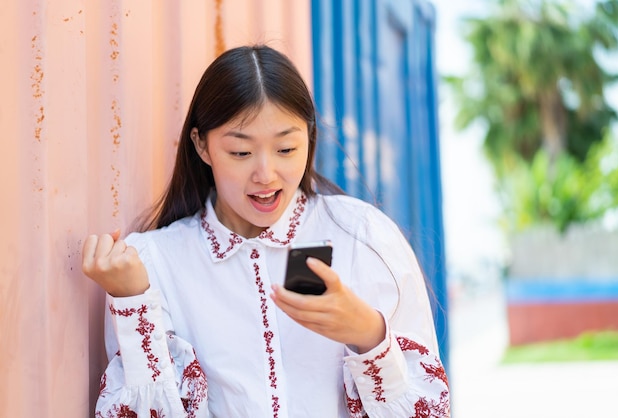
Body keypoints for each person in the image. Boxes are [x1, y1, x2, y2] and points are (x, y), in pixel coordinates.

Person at [82, 44, 450, 418]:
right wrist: (133, 302)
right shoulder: (153, 264)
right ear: (201, 145)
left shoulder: (363, 238)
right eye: (241, 153)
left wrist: (369, 334)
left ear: (309, 137)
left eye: (286, 149)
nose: (266, 174)